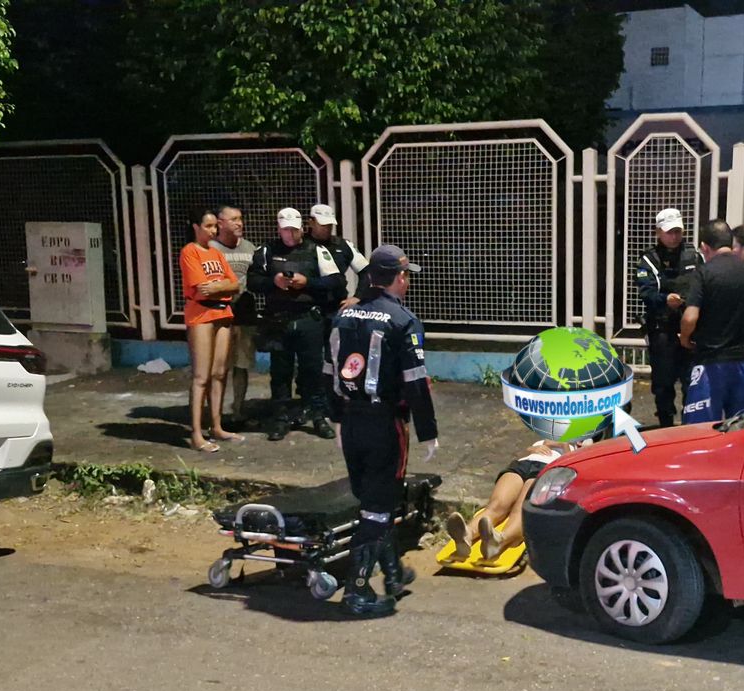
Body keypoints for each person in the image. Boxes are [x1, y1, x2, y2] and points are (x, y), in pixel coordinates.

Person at [326, 245, 439, 617]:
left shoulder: (343, 316)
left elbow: (329, 372)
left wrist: (335, 418)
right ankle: (356, 590)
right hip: (384, 423)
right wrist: (428, 432)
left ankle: (392, 574)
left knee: (374, 499)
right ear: (400, 277)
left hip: (351, 420)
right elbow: (416, 384)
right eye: (407, 276)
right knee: (378, 506)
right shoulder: (403, 321)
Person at [677, 220, 744, 424]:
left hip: (711, 364)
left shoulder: (704, 273)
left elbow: (690, 317)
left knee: (701, 429)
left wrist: (685, 339)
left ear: (704, 247)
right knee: (741, 426)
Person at [247, 208, 328, 441]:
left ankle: (318, 416)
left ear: (302, 228)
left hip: (308, 318)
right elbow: (253, 281)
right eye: (286, 230)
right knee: (280, 372)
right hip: (279, 320)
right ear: (279, 229)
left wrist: (307, 282)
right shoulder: (266, 251)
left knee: (312, 370)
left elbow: (335, 281)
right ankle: (281, 418)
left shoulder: (316, 250)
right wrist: (274, 282)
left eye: (294, 229)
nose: (290, 235)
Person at [444, 439, 582, 561]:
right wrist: (532, 449)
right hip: (523, 465)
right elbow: (522, 453)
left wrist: (563, 444)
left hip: (549, 469)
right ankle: (466, 535)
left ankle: (499, 540)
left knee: (521, 509)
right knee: (496, 505)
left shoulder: (581, 443)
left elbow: (574, 465)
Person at [179, 207, 241, 452]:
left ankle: (216, 426)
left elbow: (235, 285)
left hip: (223, 312)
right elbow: (201, 288)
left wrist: (220, 287)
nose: (214, 230)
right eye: (208, 226)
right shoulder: (190, 251)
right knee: (201, 376)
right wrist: (222, 286)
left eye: (216, 226)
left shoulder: (215, 252)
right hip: (201, 314)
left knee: (219, 373)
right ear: (196, 227)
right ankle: (196, 433)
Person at [635, 208, 703, 428]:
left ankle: (690, 424)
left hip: (690, 329)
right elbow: (646, 293)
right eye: (669, 232)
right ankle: (665, 425)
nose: (674, 237)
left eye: (677, 232)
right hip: (662, 331)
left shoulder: (694, 255)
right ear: (658, 232)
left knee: (691, 381)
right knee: (663, 383)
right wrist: (665, 299)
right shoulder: (649, 259)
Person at [210, 205, 260, 427]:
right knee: (218, 368)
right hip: (220, 315)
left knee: (242, 366)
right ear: (220, 223)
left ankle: (238, 411)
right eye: (234, 219)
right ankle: (215, 416)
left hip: (246, 314)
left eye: (241, 218)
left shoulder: (249, 247)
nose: (240, 223)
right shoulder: (210, 249)